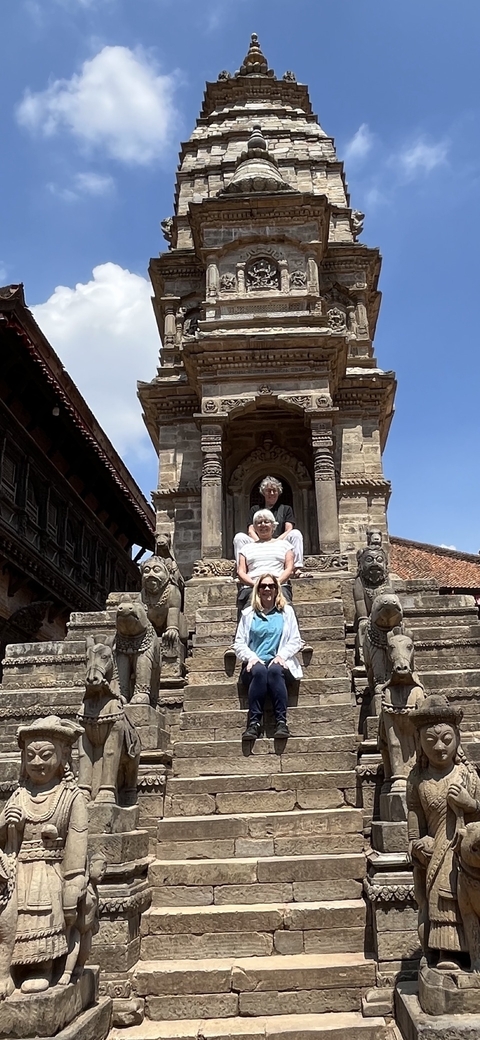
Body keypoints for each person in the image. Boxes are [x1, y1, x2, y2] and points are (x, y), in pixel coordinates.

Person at [407, 695, 480, 969]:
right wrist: (416, 844)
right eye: (431, 741)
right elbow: (414, 823)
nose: (439, 747)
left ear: (457, 740)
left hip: (467, 854)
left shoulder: (469, 776)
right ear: (420, 744)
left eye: (447, 740)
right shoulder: (416, 780)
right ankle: (448, 953)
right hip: (436, 853)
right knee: (442, 898)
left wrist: (470, 803)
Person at [233, 572, 303, 740]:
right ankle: (254, 723)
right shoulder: (248, 614)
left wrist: (281, 656)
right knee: (260, 671)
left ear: (276, 589)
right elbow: (239, 643)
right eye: (263, 586)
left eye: (271, 586)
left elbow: (295, 640)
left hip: (280, 663)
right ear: (257, 590)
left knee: (273, 670)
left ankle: (281, 722)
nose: (267, 589)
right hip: (254, 664)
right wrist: (251, 657)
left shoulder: (286, 612)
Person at [233, 477, 304, 575]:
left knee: (296, 534)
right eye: (268, 491)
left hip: (280, 542)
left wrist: (275, 542)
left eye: (274, 490)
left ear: (278, 492)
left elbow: (289, 529)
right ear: (263, 492)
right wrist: (261, 542)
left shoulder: (286, 509)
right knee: (239, 537)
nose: (271, 493)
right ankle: (241, 572)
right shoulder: (255, 509)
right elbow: (250, 530)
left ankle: (296, 568)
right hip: (257, 541)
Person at [236, 508, 294, 613]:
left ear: (273, 525)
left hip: (279, 584)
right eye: (259, 523)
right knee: (248, 610)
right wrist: (257, 585)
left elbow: (289, 568)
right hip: (252, 585)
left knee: (286, 610)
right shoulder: (246, 548)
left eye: (266, 522)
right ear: (254, 527)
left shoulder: (285, 546)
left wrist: (274, 584)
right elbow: (241, 572)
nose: (263, 525)